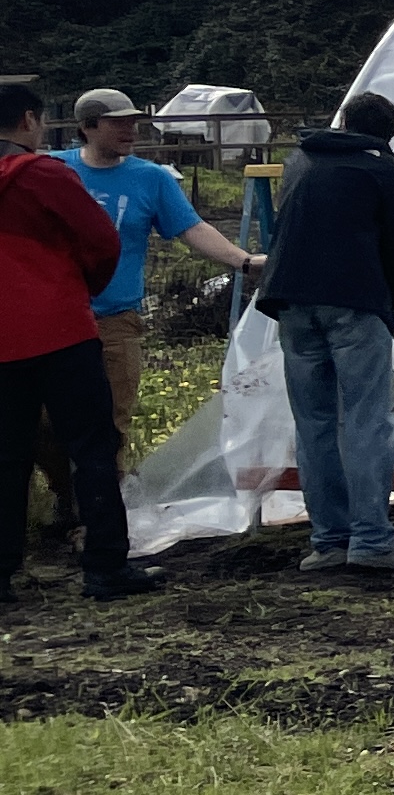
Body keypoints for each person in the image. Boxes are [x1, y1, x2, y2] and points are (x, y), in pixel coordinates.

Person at [35, 90, 267, 548]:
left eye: (134, 123)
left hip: (115, 320)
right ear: (88, 127)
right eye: (119, 123)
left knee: (109, 421)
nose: (130, 131)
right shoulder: (55, 171)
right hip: (55, 318)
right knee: (43, 424)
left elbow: (191, 227)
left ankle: (98, 522)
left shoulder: (151, 179)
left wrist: (242, 262)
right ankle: (66, 498)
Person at [258, 90, 394, 582]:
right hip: (353, 301)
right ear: (386, 135)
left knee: (313, 423)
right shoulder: (388, 174)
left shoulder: (301, 160)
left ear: (343, 121)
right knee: (364, 420)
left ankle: (328, 541)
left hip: (290, 299)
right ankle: (372, 540)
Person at [0, 82, 157, 599]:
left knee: (8, 453)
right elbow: (99, 239)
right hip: (61, 330)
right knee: (92, 446)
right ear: (28, 120)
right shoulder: (45, 174)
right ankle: (105, 566)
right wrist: (80, 287)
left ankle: (5, 571)